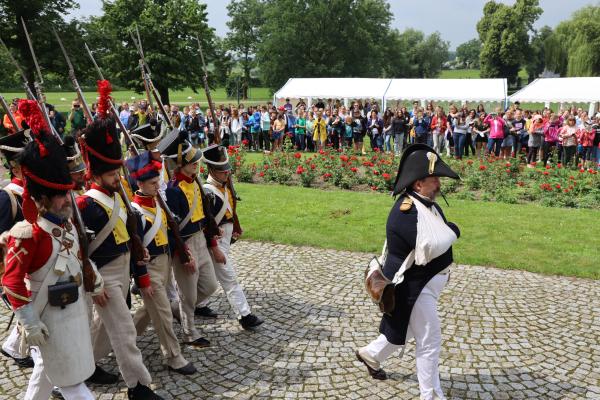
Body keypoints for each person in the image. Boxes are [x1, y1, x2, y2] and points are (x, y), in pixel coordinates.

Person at [1, 100, 104, 399]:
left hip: (70, 315)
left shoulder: (69, 226)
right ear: (42, 200)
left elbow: (77, 258)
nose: (66, 201)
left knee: (45, 376)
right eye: (58, 197)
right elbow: (11, 281)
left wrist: (93, 278)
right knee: (72, 384)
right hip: (45, 318)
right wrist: (29, 321)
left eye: (66, 195)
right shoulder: (27, 234)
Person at [77, 82, 162, 399]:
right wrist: (94, 282)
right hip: (104, 276)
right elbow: (80, 251)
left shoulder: (119, 199)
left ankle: (77, 373)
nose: (119, 178)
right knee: (125, 331)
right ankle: (138, 386)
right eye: (113, 174)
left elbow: (132, 236)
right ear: (97, 174)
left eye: (118, 172)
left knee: (102, 331)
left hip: (123, 271)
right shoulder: (86, 204)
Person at [357, 144, 460, 400]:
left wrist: (449, 232)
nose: (438, 183)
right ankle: (431, 395)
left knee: (406, 329)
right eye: (433, 178)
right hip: (412, 289)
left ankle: (371, 354)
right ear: (417, 184)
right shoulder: (405, 212)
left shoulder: (425, 204)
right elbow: (431, 246)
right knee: (429, 341)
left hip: (422, 287)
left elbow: (441, 234)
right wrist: (453, 232)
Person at [126, 151, 197, 375]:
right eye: (153, 183)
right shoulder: (135, 211)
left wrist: (184, 251)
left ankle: (122, 339)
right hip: (150, 269)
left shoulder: (159, 204)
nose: (158, 186)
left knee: (149, 311)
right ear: (140, 183)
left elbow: (171, 234)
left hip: (165, 264)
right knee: (164, 312)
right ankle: (173, 356)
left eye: (159, 181)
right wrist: (142, 277)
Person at [160, 130, 218, 346]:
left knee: (210, 286)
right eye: (191, 161)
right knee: (189, 294)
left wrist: (212, 243)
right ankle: (189, 332)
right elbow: (172, 228)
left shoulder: (195, 182)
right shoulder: (173, 191)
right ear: (180, 164)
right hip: (185, 244)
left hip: (200, 239)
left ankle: (178, 309)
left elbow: (205, 216)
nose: (196, 164)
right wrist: (184, 254)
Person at [201, 145, 264, 330]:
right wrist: (215, 247)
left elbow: (229, 209)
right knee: (229, 278)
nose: (227, 173)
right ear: (212, 170)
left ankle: (197, 305)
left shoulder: (223, 186)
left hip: (225, 238)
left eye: (227, 169)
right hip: (216, 241)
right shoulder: (208, 192)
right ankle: (245, 315)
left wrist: (235, 225)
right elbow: (207, 225)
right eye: (222, 170)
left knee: (209, 276)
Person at [0, 128, 34, 369]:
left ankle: (13, 346)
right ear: (15, 167)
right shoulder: (7, 197)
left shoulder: (34, 191)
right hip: (15, 269)